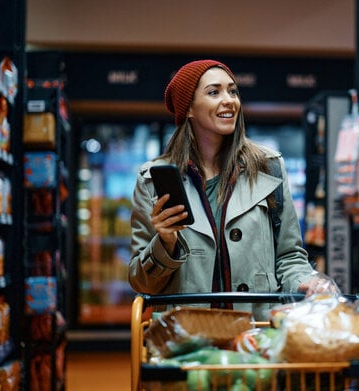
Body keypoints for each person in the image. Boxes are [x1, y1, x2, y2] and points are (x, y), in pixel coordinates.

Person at [128, 59, 338, 319]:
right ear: (189, 108)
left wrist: (307, 281)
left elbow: (289, 256)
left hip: (254, 334)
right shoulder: (151, 182)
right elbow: (142, 283)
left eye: (233, 91)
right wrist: (165, 242)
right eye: (214, 92)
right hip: (187, 339)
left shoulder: (269, 168)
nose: (229, 100)